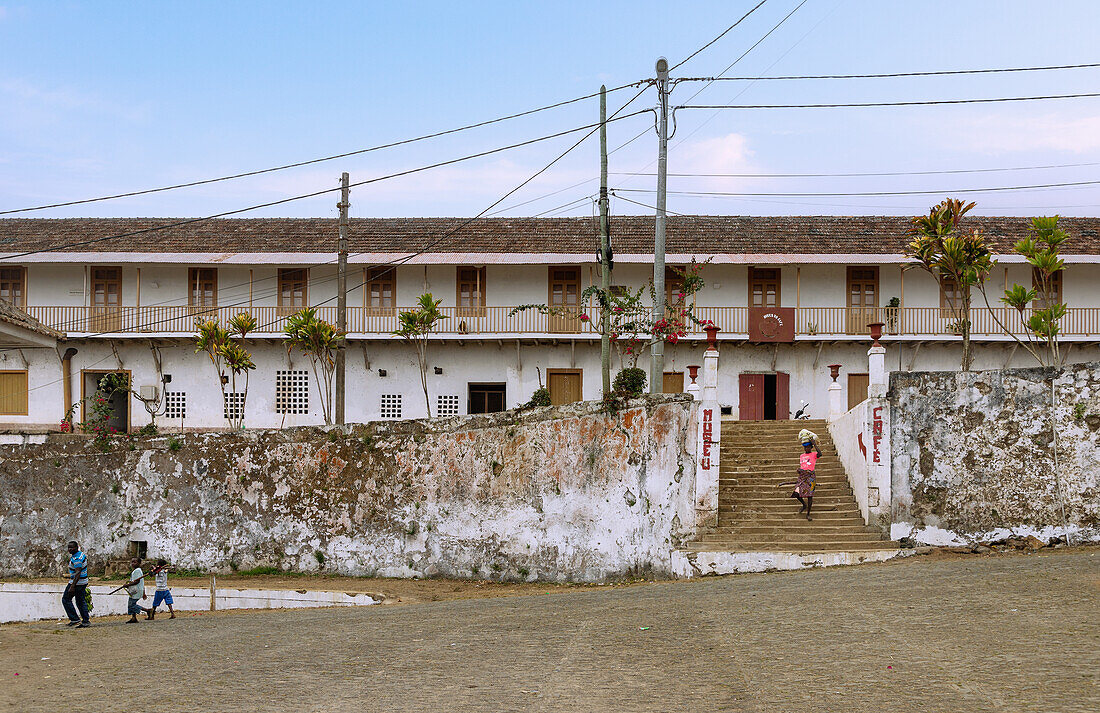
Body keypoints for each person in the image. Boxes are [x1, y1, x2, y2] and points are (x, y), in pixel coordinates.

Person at [792, 437, 823, 521]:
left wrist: (815, 444)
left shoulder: (813, 454)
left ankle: (808, 514)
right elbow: (803, 466)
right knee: (796, 493)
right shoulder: (801, 456)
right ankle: (804, 505)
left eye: (808, 447)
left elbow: (820, 454)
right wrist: (799, 470)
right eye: (805, 447)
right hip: (802, 476)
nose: (806, 448)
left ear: (811, 447)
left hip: (811, 476)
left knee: (809, 496)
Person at [61, 540, 90, 628]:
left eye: (72, 547)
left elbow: (78, 572)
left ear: (76, 547)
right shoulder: (80, 554)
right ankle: (83, 620)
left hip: (78, 583)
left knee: (66, 599)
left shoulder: (77, 558)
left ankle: (77, 619)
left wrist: (72, 586)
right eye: (68, 547)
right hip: (82, 582)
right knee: (80, 601)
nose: (69, 549)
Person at [121, 557, 151, 623]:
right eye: (132, 562)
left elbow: (136, 581)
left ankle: (147, 611)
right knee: (131, 603)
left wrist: (127, 585)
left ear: (139, 563)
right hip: (136, 590)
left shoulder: (137, 571)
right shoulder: (137, 571)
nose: (133, 564)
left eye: (135, 562)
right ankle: (133, 618)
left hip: (136, 590)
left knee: (131, 605)